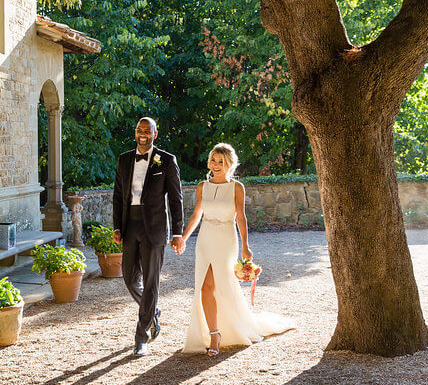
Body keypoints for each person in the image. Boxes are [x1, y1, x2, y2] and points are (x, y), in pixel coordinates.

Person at [172, 143, 295, 355]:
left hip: (226, 239)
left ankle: (231, 327)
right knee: (204, 286)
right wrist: (183, 238)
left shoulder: (237, 188)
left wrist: (246, 246)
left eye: (221, 161)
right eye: (213, 160)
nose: (216, 165)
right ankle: (214, 334)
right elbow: (196, 216)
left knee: (224, 286)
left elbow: (241, 217)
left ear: (230, 164)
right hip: (205, 239)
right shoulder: (203, 186)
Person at [112, 117, 184, 356]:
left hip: (153, 228)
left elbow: (176, 199)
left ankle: (141, 337)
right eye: (139, 130)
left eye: (147, 130)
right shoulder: (124, 159)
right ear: (135, 132)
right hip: (129, 225)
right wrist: (116, 227)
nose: (142, 134)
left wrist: (177, 232)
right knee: (129, 278)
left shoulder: (166, 160)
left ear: (155, 133)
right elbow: (118, 196)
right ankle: (152, 311)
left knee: (151, 281)